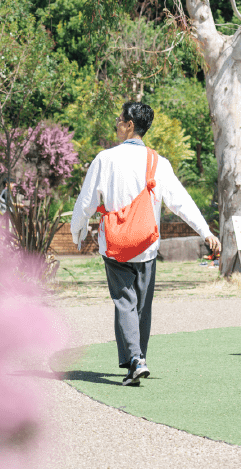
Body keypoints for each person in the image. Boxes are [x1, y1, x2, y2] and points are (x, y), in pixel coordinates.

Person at [72, 101, 220, 386]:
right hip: (146, 246)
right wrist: (205, 231)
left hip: (115, 244)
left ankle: (136, 360)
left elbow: (87, 201)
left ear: (129, 124)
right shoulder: (158, 162)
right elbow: (181, 202)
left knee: (124, 302)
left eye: (119, 118)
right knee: (141, 306)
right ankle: (136, 361)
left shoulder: (105, 158)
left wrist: (77, 230)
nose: (116, 122)